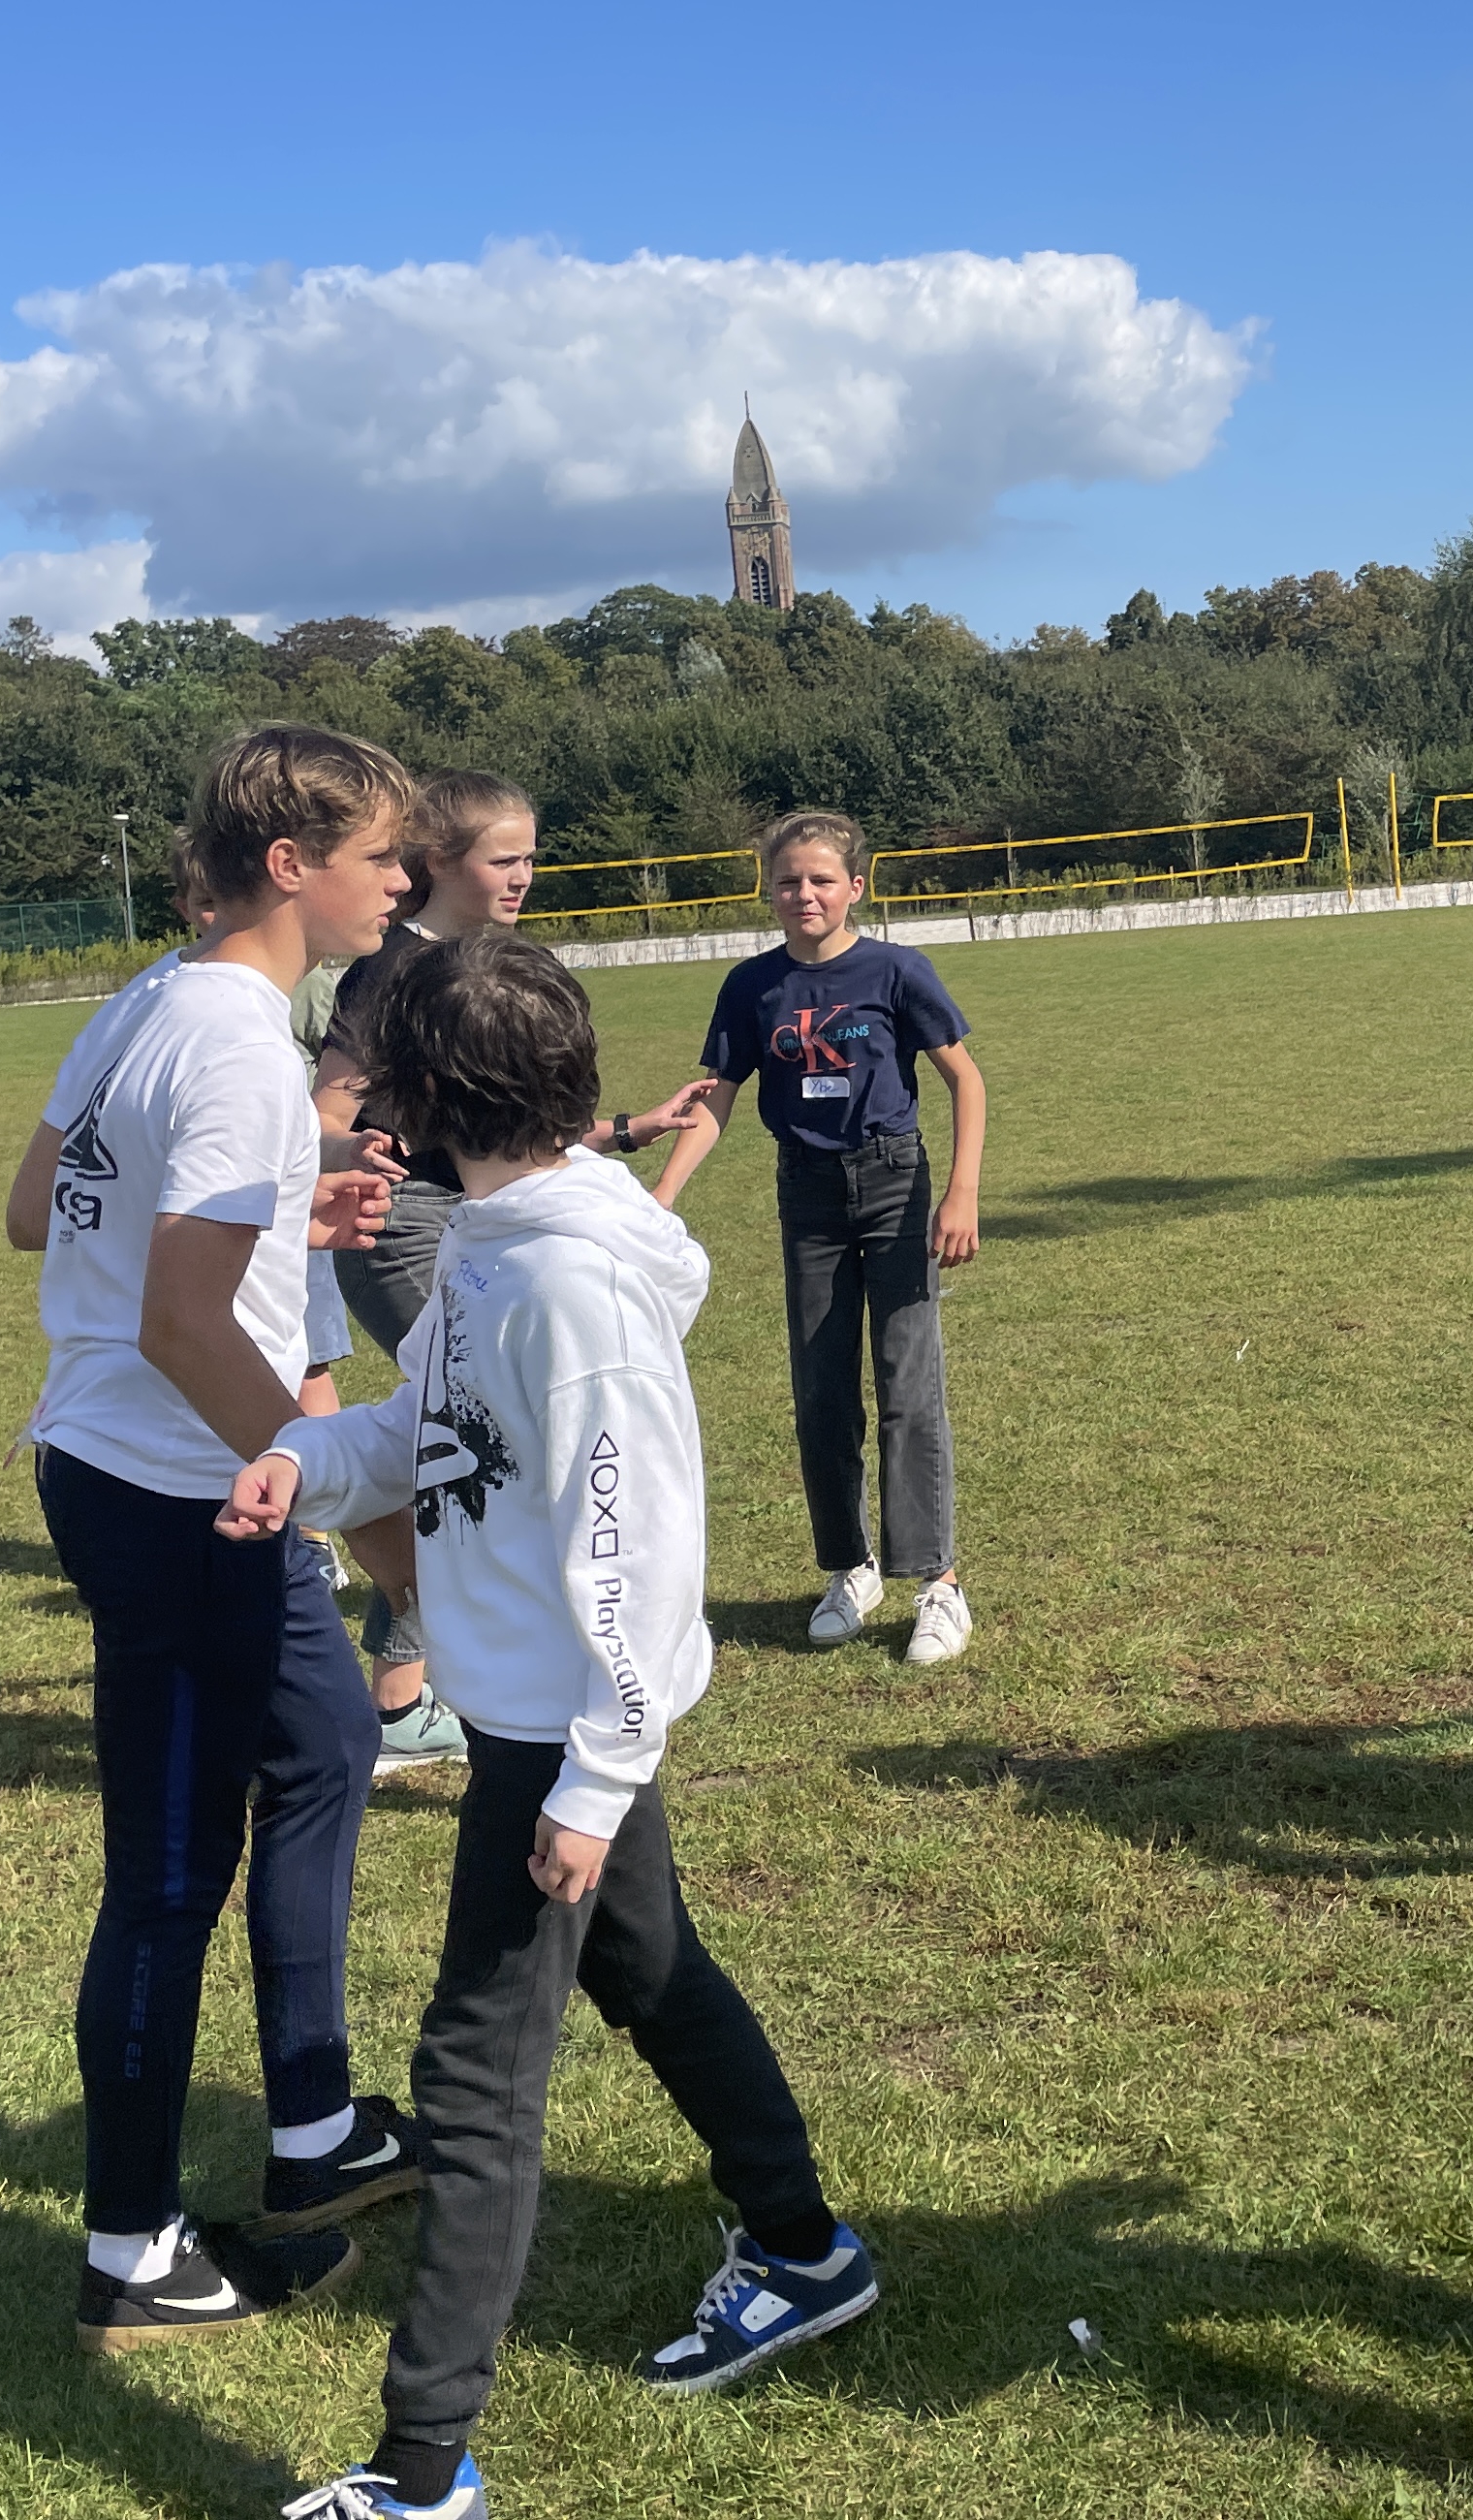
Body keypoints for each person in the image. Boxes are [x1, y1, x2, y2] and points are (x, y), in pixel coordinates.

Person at [240, 932, 875, 2520]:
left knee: (472, 2077)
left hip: (556, 1734)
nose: (353, 1098)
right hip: (541, 1715)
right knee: (655, 1975)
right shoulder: (493, 1237)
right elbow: (430, 1423)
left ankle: (421, 2472)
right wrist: (308, 1466)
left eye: (370, 1075)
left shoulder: (569, 1280)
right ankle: (803, 2246)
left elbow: (644, 1555)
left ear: (427, 1095)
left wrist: (596, 1776)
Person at [1, 724, 430, 2351]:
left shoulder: (149, 999)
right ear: (290, 864)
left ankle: (312, 2130)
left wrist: (277, 1206)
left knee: (327, 1741)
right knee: (169, 1880)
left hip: (142, 1466)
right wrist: (344, 1485)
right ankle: (132, 2246)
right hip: (172, 1492)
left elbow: (45, 1209)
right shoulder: (242, 1042)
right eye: (380, 853)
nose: (401, 880)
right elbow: (180, 1319)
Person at [651, 809, 988, 1663]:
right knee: (822, 1394)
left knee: (909, 1385)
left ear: (855, 888)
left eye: (822, 880)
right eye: (788, 881)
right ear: (769, 891)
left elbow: (965, 1080)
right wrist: (661, 1195)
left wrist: (961, 1193)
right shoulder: (752, 986)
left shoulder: (896, 970)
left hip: (894, 1183)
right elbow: (719, 1096)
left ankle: (939, 1584)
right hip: (807, 1195)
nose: (805, 894)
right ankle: (850, 1566)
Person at [314, 772, 541, 1768]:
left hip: (476, 1221)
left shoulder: (498, 959)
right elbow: (327, 1113)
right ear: (440, 861)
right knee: (471, 1433)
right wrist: (355, 1154)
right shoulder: (392, 971)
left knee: (481, 1433)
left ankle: (422, 1686)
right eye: (504, 859)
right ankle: (406, 1703)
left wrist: (622, 1132)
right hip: (401, 1227)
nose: (523, 876)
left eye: (530, 857)